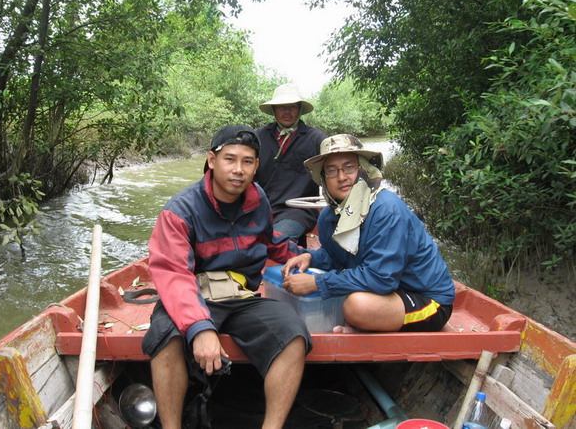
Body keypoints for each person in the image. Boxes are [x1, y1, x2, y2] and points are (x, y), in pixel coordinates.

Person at [143, 125, 312, 429]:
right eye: (229, 159)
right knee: (165, 336)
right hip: (192, 296)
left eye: (247, 162)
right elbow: (173, 275)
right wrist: (200, 328)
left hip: (240, 296)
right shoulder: (180, 211)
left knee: (292, 333)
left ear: (256, 166)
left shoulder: (257, 199)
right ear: (211, 160)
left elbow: (268, 239)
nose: (238, 170)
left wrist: (298, 253)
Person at [282, 134, 455, 333]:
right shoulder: (329, 215)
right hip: (389, 290)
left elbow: (381, 279)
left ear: (364, 170)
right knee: (342, 294)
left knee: (357, 306)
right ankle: (369, 325)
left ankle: (369, 326)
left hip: (426, 299)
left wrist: (317, 283)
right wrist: (309, 258)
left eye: (349, 168)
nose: (341, 177)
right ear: (323, 179)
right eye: (331, 171)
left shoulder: (386, 209)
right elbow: (336, 256)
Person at [255, 83, 327, 243]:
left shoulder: (316, 138)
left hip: (299, 210)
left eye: (292, 107)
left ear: (300, 110)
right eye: (281, 107)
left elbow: (332, 173)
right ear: (274, 110)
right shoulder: (259, 136)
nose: (287, 112)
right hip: (262, 209)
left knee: (275, 241)